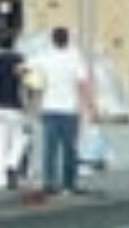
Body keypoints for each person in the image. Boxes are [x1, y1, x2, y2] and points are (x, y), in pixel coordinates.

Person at [26, 24, 94, 194]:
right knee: (70, 149)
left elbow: (23, 68)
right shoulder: (74, 57)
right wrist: (90, 105)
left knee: (50, 149)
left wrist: (32, 90)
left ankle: (49, 183)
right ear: (68, 39)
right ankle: (68, 184)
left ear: (52, 40)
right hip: (70, 109)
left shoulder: (45, 57)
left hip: (49, 108)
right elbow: (83, 83)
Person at [0, 28, 29, 188]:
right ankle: (12, 163)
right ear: (14, 43)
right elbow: (25, 83)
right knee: (21, 138)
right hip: (15, 105)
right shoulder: (20, 59)